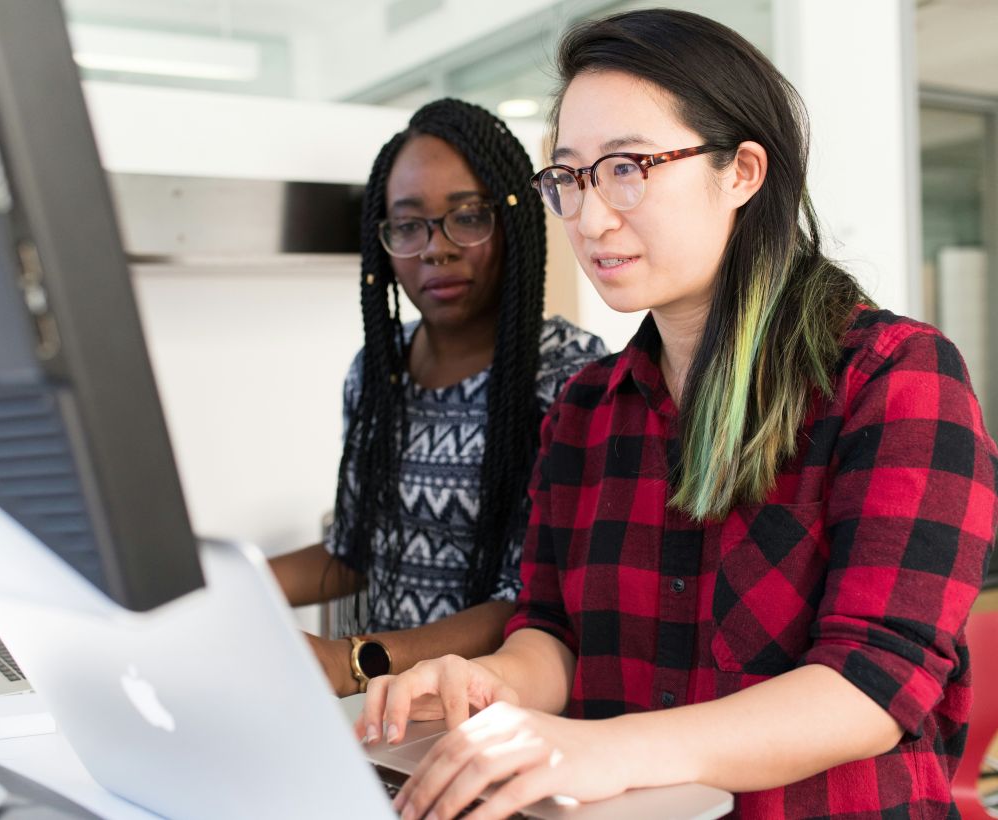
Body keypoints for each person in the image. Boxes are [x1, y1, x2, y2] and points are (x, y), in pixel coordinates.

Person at [355, 10, 998, 820]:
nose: (589, 219)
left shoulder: (894, 378)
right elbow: (552, 631)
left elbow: (875, 681)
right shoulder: (586, 409)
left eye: (628, 167)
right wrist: (494, 681)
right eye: (571, 178)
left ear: (743, 173)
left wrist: (608, 748)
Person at [270, 99, 607, 697]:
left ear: (513, 223)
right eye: (408, 225)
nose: (436, 248)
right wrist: (218, 588)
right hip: (388, 713)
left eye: (468, 217)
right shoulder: (377, 372)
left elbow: (532, 600)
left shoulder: (568, 377)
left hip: (500, 713)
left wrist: (353, 662)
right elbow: (353, 550)